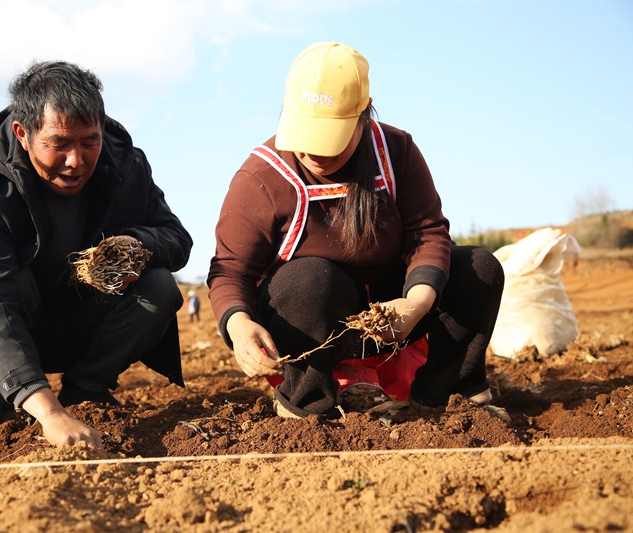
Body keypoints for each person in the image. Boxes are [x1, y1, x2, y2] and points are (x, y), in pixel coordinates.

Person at [207, 42, 505, 420]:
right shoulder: (262, 178)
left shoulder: (397, 151)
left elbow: (427, 233)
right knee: (308, 281)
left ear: (363, 117)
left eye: (329, 137)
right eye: (304, 134)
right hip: (314, 323)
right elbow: (231, 270)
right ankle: (308, 405)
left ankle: (444, 396)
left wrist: (416, 302)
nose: (313, 151)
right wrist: (239, 325)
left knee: (479, 268)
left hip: (394, 315)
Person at [0, 61, 193, 447]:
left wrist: (135, 245)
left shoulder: (126, 166)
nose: (76, 160)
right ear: (22, 134)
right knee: (13, 282)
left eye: (89, 142)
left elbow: (176, 237)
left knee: (159, 286)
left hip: (84, 324)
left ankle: (86, 390)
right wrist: (49, 413)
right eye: (59, 144)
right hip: (11, 330)